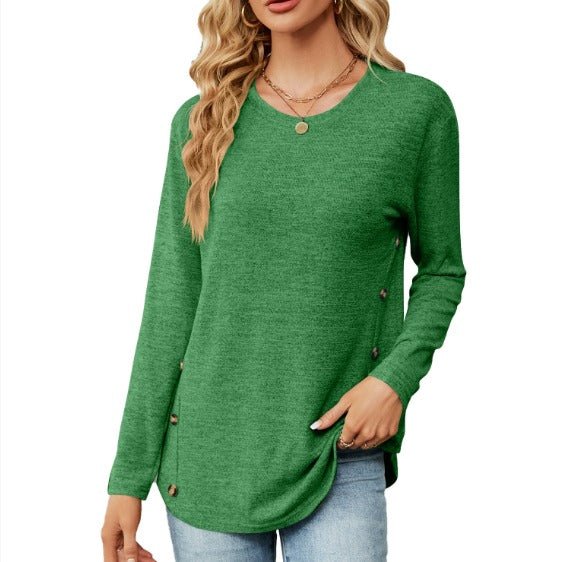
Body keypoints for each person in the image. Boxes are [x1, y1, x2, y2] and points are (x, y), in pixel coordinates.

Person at [101, 0, 467, 560]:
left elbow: (442, 269)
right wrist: (128, 479)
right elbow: (171, 303)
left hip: (339, 450)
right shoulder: (201, 122)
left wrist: (393, 380)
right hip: (206, 460)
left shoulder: (413, 112)